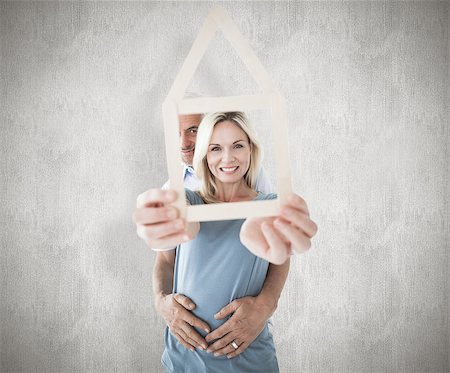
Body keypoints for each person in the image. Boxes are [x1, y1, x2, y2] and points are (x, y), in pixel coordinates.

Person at [134, 112, 317, 372]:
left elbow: (280, 260)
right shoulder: (188, 199)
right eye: (216, 148)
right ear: (205, 156)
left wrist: (265, 306)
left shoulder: (269, 204)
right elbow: (166, 256)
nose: (228, 158)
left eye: (238, 146)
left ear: (251, 151)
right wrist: (162, 300)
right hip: (184, 360)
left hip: (248, 359)